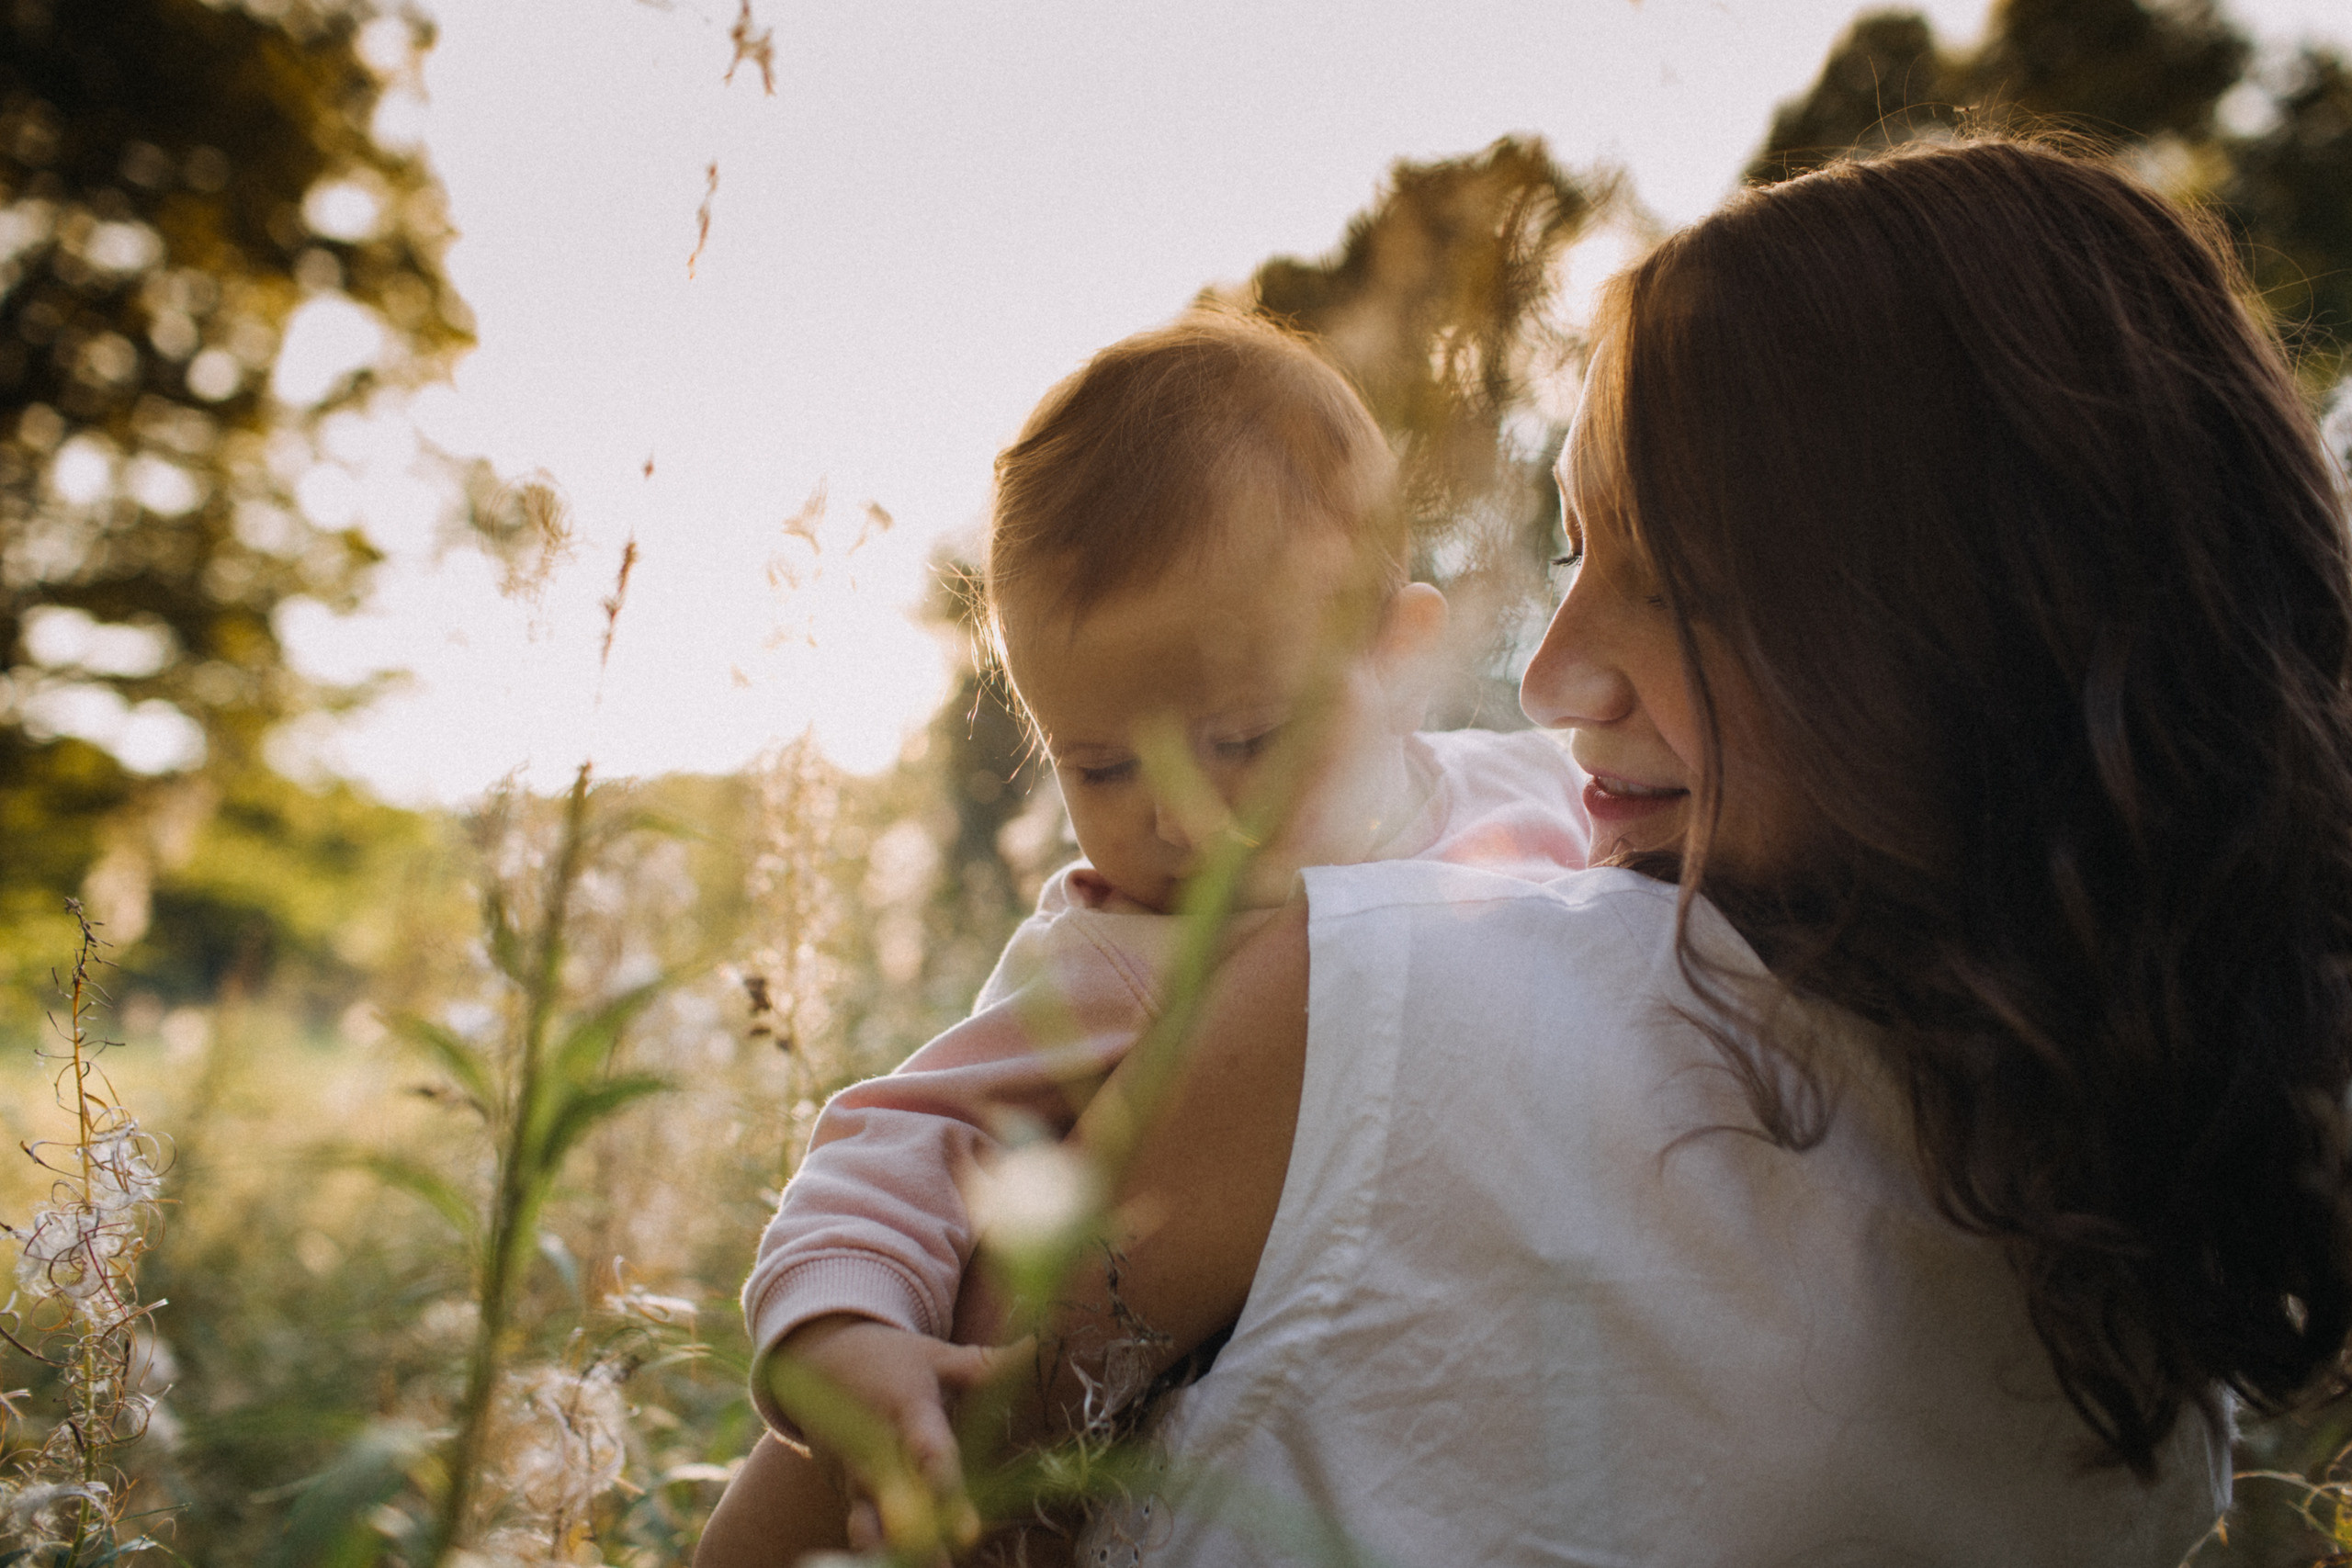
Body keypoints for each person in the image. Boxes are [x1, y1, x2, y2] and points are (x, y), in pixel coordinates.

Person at [1008, 136, 2352, 1566]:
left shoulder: (1370, 1012)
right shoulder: (2175, 1307)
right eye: (1577, 553)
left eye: (1667, 583)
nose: (1552, 680)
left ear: (1960, 629)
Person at [696, 311, 1590, 1564]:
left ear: (1399, 655)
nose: (1177, 816)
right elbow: (902, 1137)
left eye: (1238, 742)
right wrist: (845, 1338)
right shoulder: (1123, 954)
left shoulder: (1534, 795)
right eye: (1101, 765)